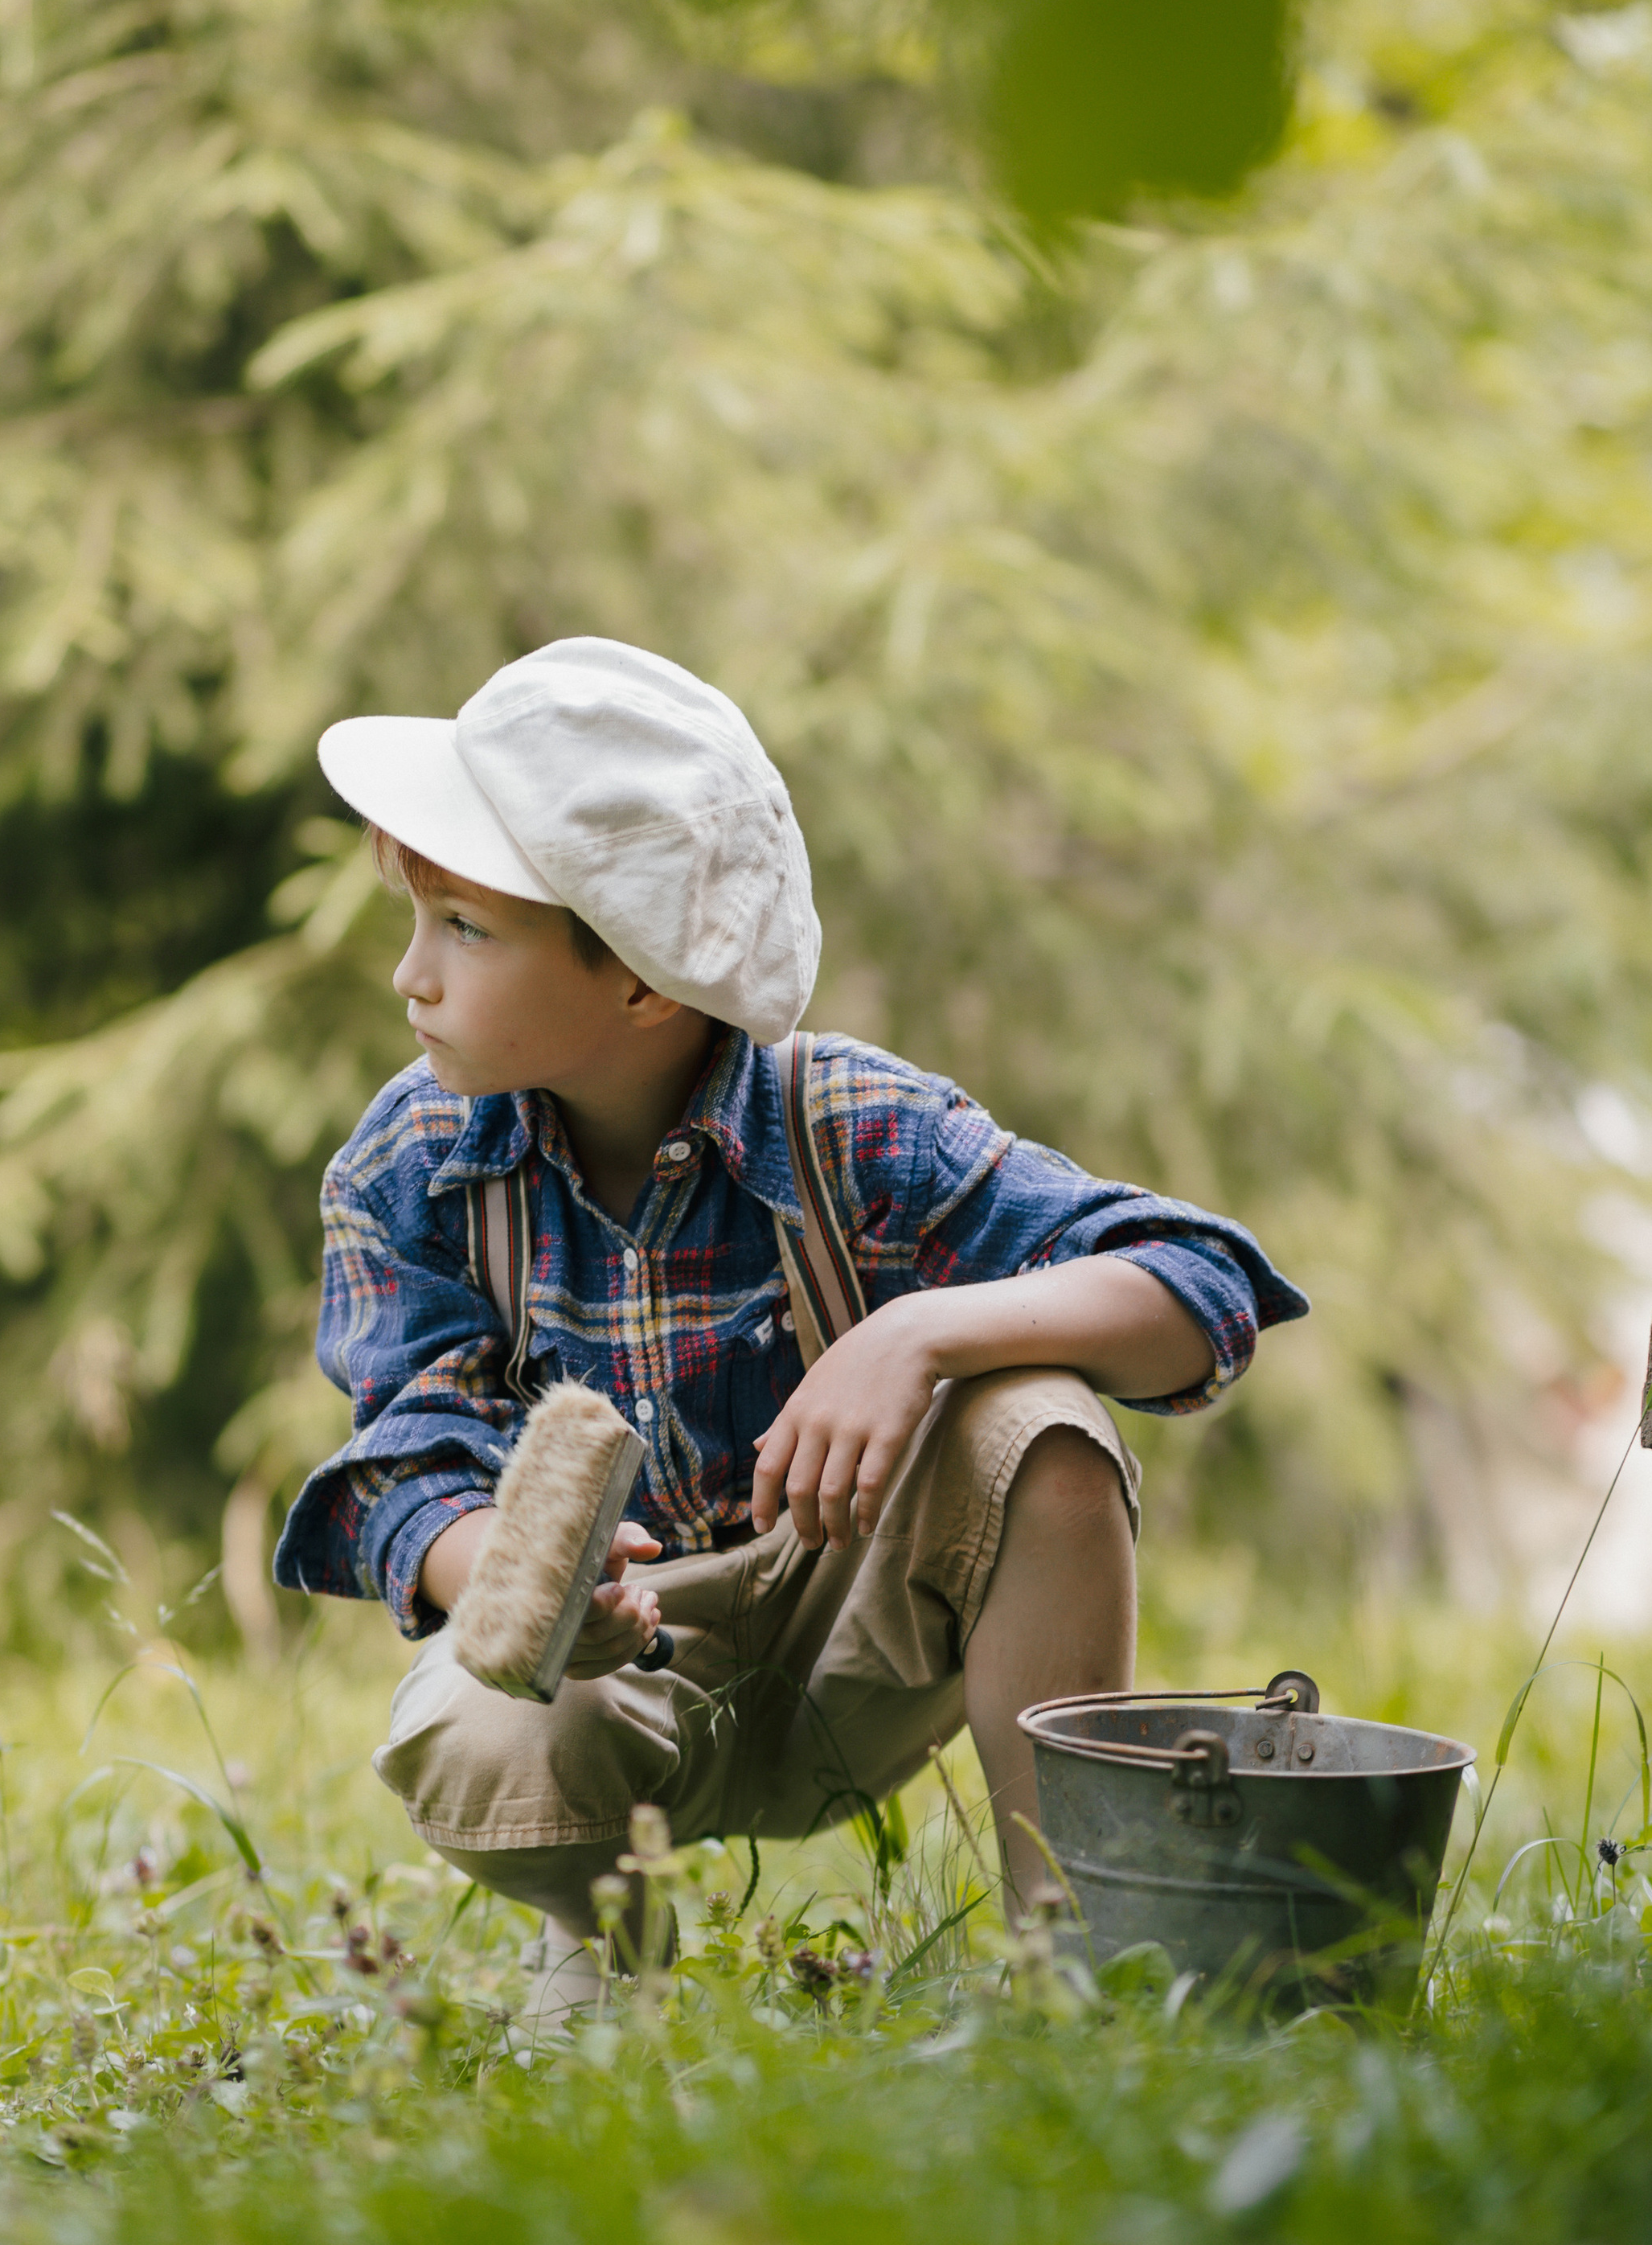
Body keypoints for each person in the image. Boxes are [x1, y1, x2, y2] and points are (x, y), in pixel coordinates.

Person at [275, 636, 1306, 2007]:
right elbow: (404, 1464)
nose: (411, 974)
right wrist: (519, 1583)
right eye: (417, 921)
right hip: (609, 1675)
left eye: (463, 928)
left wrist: (922, 1334)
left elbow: (1201, 1287)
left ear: (642, 979)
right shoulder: (413, 1164)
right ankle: (599, 1942)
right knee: (476, 1721)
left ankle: (1070, 1947)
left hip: (849, 1645)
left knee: (1040, 1422)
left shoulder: (849, 1128)